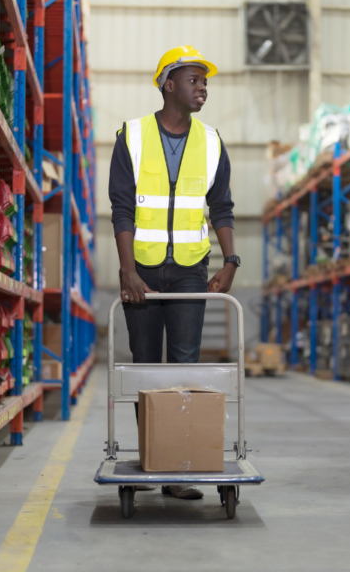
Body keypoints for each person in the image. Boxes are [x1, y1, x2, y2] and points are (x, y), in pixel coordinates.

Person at [109, 46, 240, 500]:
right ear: (169, 85)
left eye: (205, 82)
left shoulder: (212, 141)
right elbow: (121, 209)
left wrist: (230, 261)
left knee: (184, 366)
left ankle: (176, 470)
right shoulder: (132, 136)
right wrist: (127, 271)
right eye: (194, 80)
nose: (202, 88)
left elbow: (221, 207)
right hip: (141, 270)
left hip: (189, 271)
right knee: (146, 367)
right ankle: (154, 457)